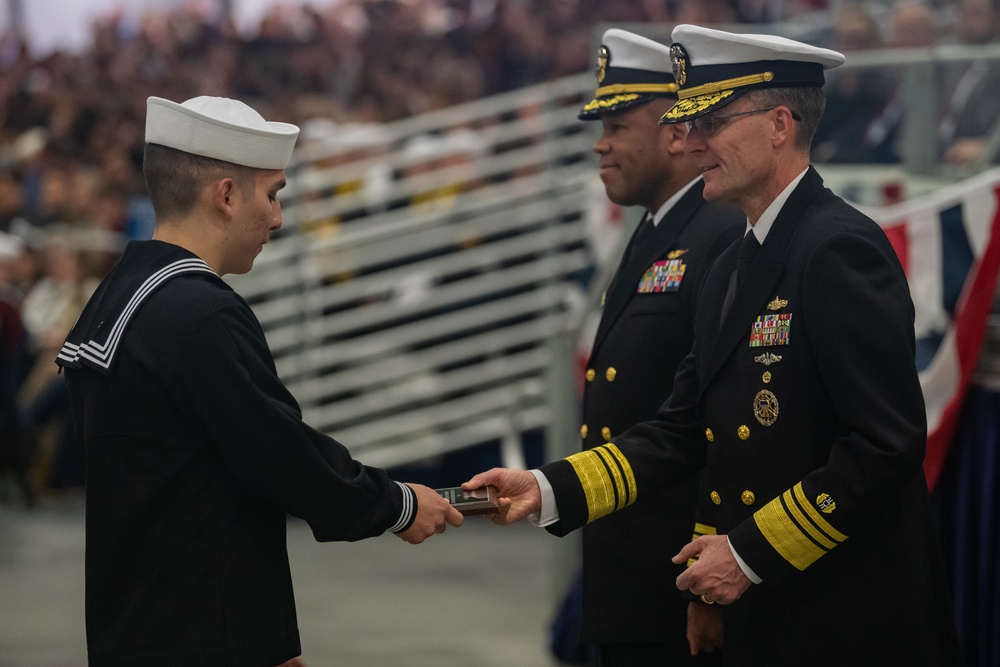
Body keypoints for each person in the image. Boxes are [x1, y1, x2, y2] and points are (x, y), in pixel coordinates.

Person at [465, 24, 962, 665]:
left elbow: (884, 445)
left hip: (846, 616)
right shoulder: (736, 257)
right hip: (766, 607)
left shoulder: (837, 246)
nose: (692, 141)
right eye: (689, 122)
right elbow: (687, 428)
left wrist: (748, 556)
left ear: (779, 124)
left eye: (713, 122)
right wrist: (550, 486)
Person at [55, 95, 463, 667]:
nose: (276, 217)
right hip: (201, 634)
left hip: (139, 622)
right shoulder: (199, 311)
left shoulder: (121, 292)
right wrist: (394, 505)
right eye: (271, 194)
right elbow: (279, 452)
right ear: (225, 195)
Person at [566, 28, 742, 665]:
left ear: (675, 133)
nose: (600, 142)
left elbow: (721, 424)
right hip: (635, 570)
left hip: (681, 576)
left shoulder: (718, 232)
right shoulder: (657, 228)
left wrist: (710, 587)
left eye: (617, 124)